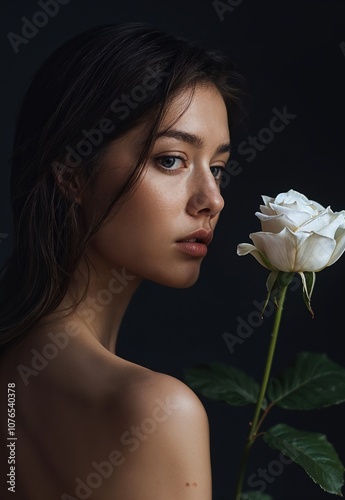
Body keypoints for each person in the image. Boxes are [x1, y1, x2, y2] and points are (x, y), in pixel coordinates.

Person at [0, 22, 247, 499]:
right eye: (172, 160)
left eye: (216, 168)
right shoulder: (157, 412)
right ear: (72, 175)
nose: (211, 199)